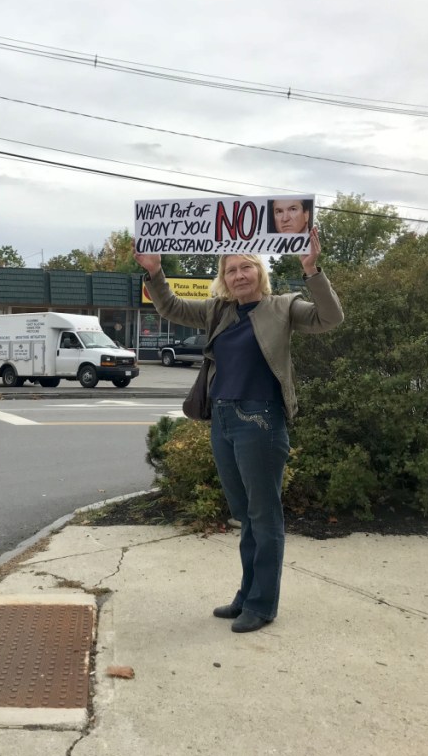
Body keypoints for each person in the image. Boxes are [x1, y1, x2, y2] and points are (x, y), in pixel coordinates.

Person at [133, 227, 343, 633]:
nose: (239, 275)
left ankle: (263, 605)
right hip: (224, 419)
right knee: (245, 514)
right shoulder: (218, 311)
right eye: (231, 270)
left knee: (264, 516)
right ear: (223, 278)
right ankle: (247, 594)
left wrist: (312, 270)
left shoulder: (283, 307)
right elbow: (171, 308)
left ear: (259, 272)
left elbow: (330, 317)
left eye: (246, 267)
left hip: (261, 420)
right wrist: (155, 271)